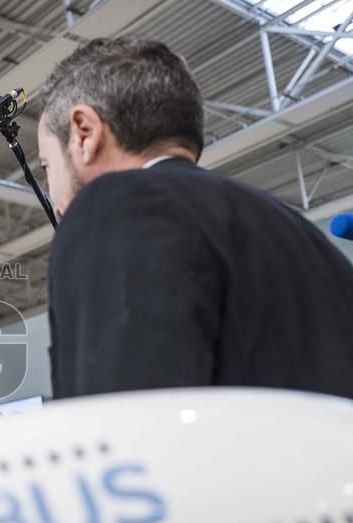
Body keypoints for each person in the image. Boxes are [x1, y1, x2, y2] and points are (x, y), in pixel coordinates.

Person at [37, 37, 353, 399]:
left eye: (48, 165)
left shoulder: (117, 204)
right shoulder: (299, 233)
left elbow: (129, 425)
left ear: (85, 133)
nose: (56, 203)